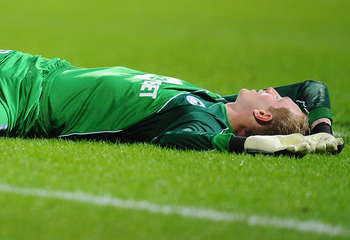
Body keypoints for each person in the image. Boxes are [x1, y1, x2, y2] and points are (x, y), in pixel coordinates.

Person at [0, 50, 344, 154]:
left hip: (21, 104)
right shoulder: (212, 102)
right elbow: (311, 87)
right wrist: (321, 129)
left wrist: (281, 142)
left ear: (261, 115)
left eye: (276, 97)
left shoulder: (200, 125)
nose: (272, 88)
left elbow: (187, 140)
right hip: (32, 66)